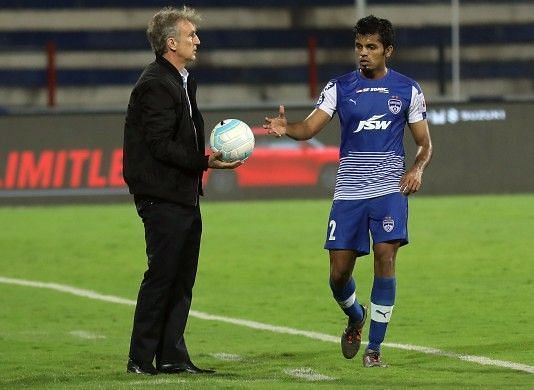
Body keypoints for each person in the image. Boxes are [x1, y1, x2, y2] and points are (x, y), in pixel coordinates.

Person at [264, 15, 432, 367]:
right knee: (339, 274)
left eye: (371, 47)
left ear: (388, 50)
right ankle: (356, 315)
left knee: (386, 258)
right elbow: (309, 128)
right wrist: (287, 127)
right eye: (359, 46)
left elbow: (423, 143)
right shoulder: (340, 87)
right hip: (349, 192)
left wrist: (416, 168)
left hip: (389, 189)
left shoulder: (408, 90)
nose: (363, 53)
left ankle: (374, 349)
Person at [122, 6, 241, 375]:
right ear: (171, 43)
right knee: (162, 276)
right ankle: (140, 359)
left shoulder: (180, 80)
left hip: (182, 194)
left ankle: (172, 355)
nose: (197, 41)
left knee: (181, 278)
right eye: (191, 35)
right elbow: (159, 145)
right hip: (162, 195)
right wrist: (204, 161)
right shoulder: (156, 84)